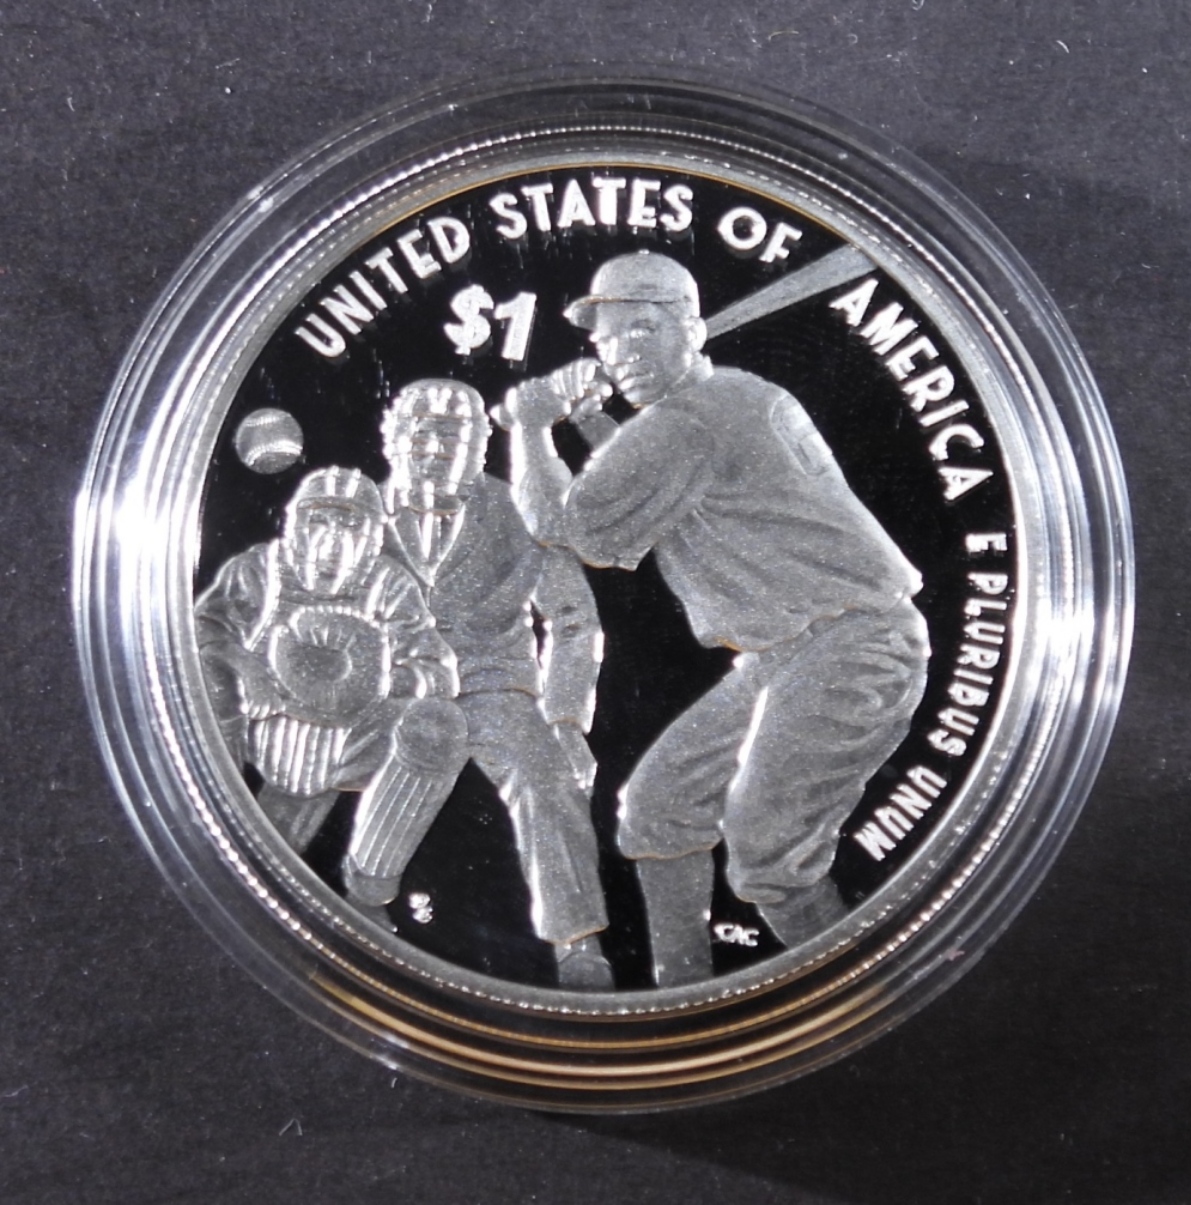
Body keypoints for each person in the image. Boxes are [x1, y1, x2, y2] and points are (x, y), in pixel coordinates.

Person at [498, 250, 930, 986]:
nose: (621, 350)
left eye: (643, 330)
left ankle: (858, 997)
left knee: (767, 855)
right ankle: (685, 994)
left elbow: (566, 530)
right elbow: (661, 488)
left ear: (692, 329)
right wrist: (594, 418)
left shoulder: (691, 419)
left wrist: (532, 427)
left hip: (852, 649)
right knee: (658, 810)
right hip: (791, 654)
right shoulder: (731, 397)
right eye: (608, 337)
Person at [378, 379, 612, 989]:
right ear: (394, 441)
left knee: (547, 777)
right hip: (387, 690)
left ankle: (579, 948)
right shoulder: (360, 514)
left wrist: (565, 722)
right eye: (421, 434)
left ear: (480, 446)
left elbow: (574, 620)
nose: (435, 448)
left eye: (452, 435)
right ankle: (352, 908)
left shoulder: (518, 510)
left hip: (492, 689)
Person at [195, 465, 468, 929]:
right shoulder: (259, 571)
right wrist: (248, 669)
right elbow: (202, 628)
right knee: (210, 674)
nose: (331, 539)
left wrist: (377, 682)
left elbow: (437, 670)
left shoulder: (389, 586)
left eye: (349, 524)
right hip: (265, 727)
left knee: (437, 726)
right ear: (294, 523)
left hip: (356, 738)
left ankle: (370, 890)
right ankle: (212, 814)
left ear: (373, 536)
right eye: (319, 520)